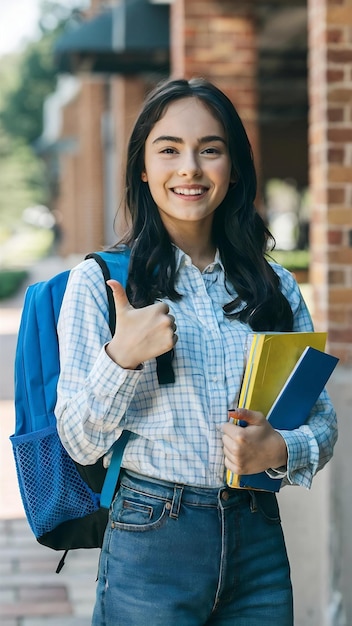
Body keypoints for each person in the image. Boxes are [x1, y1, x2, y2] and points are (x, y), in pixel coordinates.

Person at [55, 77, 337, 626]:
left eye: (210, 149)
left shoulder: (273, 287)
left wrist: (278, 448)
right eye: (169, 150)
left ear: (232, 168)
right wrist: (124, 357)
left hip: (257, 537)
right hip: (150, 538)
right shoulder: (99, 284)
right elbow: (79, 442)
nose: (190, 168)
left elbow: (322, 419)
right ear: (143, 167)